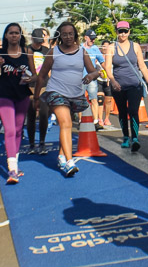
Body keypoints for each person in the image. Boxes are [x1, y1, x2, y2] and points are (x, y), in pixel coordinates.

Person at [34, 22, 102, 177]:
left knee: (66, 125)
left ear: (75, 35)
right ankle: (70, 162)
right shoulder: (54, 52)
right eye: (64, 34)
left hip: (75, 94)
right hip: (56, 92)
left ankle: (61, 156)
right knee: (66, 123)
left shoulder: (82, 52)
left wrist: (91, 75)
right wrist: (36, 97)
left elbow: (94, 71)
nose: (68, 36)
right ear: (60, 36)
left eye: (71, 33)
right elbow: (42, 76)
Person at [0, 23, 36, 185]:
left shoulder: (27, 52)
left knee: (18, 131)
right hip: (4, 95)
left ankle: (15, 166)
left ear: (20, 36)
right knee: (9, 130)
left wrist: (30, 78)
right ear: (5, 35)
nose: (14, 36)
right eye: (11, 33)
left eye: (17, 33)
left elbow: (36, 76)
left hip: (22, 95)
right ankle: (12, 169)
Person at [104, 20, 148, 152]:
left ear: (129, 32)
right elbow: (108, 67)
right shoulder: (111, 47)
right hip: (118, 87)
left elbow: (142, 66)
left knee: (133, 111)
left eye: (125, 31)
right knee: (122, 112)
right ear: (116, 32)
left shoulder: (136, 46)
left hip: (134, 85)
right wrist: (113, 81)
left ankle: (135, 138)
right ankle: (126, 137)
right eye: (120, 31)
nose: (123, 34)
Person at [25, 28, 53, 154]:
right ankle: (31, 144)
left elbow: (51, 68)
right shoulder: (26, 50)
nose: (38, 44)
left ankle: (42, 142)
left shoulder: (47, 51)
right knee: (30, 115)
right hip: (29, 86)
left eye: (40, 42)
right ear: (32, 39)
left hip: (44, 85)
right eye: (36, 42)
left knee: (43, 114)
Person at [81, 29, 106, 130]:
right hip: (81, 78)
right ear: (85, 38)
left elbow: (102, 62)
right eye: (91, 39)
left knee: (94, 99)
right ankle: (80, 121)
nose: (93, 40)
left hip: (92, 78)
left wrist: (108, 74)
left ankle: (95, 121)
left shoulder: (95, 48)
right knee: (80, 100)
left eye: (94, 39)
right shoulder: (80, 48)